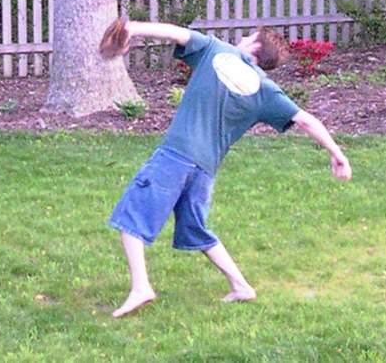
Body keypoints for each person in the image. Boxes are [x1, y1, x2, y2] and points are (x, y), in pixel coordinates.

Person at [102, 19, 352, 318]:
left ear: (255, 46)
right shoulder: (266, 91)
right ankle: (241, 286)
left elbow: (172, 32)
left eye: (248, 36)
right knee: (195, 227)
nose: (243, 38)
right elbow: (306, 120)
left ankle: (141, 287)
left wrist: (132, 27)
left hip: (176, 154)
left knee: (131, 216)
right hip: (205, 169)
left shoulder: (215, 50)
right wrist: (337, 154)